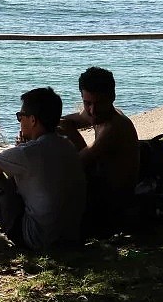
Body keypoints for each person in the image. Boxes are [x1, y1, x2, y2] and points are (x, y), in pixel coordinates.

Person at [0, 87, 86, 251]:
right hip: (71, 237)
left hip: (38, 239)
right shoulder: (66, 145)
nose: (19, 121)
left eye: (21, 116)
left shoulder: (29, 152)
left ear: (33, 120)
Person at [57, 66, 140, 236]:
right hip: (98, 190)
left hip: (112, 204)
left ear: (112, 98)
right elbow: (64, 122)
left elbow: (79, 163)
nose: (92, 111)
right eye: (87, 103)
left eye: (99, 103)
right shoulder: (99, 114)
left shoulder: (115, 126)